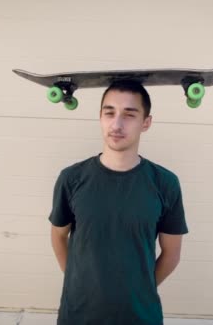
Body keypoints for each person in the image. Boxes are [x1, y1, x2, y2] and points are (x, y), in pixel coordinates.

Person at [49, 79, 189, 325]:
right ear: (100, 117)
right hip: (78, 315)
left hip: (140, 316)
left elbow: (172, 254)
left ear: (146, 123)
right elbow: (58, 237)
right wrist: (79, 282)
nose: (117, 124)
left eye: (129, 114)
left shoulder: (165, 183)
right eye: (109, 112)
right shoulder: (71, 178)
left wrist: (138, 290)